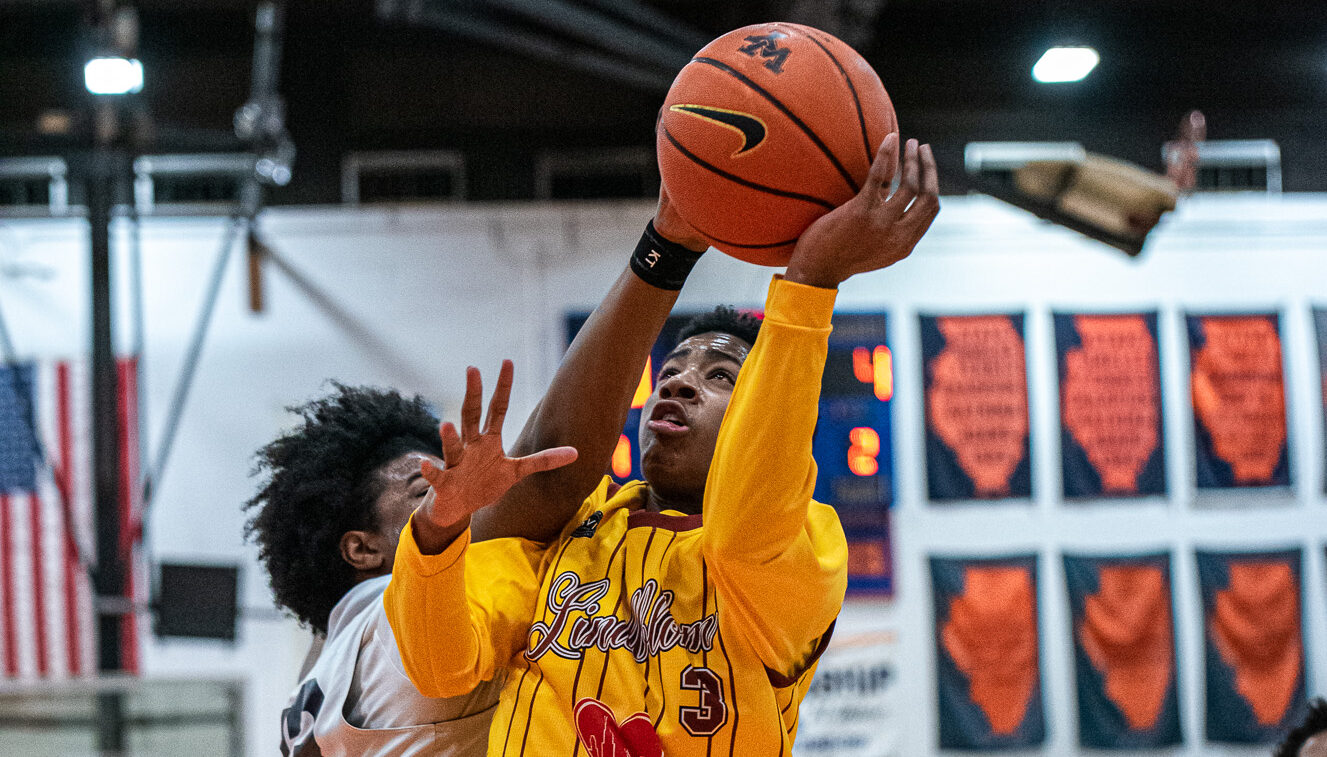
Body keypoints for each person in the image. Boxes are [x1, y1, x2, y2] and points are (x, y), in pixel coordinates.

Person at [384, 134, 940, 755]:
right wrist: (437, 530)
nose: (678, 382)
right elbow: (441, 666)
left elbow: (744, 526)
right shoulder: (572, 529)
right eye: (673, 370)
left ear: (760, 414)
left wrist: (809, 285)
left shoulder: (807, 544)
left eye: (720, 377)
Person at [246, 175, 722, 754]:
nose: (459, 498)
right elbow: (556, 479)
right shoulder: (386, 624)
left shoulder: (321, 672)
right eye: (425, 488)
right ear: (363, 548)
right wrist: (665, 250)